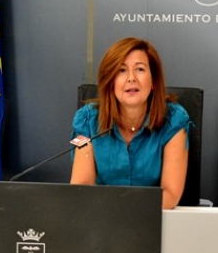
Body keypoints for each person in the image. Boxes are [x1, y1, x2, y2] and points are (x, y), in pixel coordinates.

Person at [70, 37, 191, 209]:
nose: (131, 78)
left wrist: (121, 207)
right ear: (110, 82)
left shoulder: (174, 120)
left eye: (140, 69)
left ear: (153, 81)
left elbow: (170, 194)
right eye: (121, 70)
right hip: (101, 218)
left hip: (154, 217)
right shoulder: (87, 121)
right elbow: (81, 189)